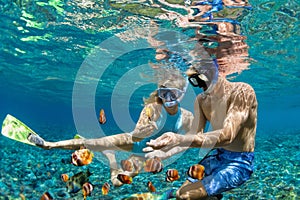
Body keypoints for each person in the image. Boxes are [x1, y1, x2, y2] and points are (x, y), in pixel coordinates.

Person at [27, 69, 194, 186]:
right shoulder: (151, 109)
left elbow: (190, 141)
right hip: (133, 141)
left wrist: (165, 154)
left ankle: (111, 158)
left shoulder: (187, 117)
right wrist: (143, 130)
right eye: (163, 93)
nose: (168, 98)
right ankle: (48, 144)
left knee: (117, 182)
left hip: (147, 157)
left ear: (182, 94)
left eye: (173, 93)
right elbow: (136, 135)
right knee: (92, 142)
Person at [145, 61, 257, 199]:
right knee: (181, 193)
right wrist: (163, 154)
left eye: (201, 78)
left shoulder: (242, 91)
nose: (200, 86)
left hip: (239, 161)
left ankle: (211, 195)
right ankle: (212, 196)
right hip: (217, 154)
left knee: (185, 196)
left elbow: (228, 135)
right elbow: (193, 136)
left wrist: (178, 139)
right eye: (194, 81)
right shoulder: (201, 100)